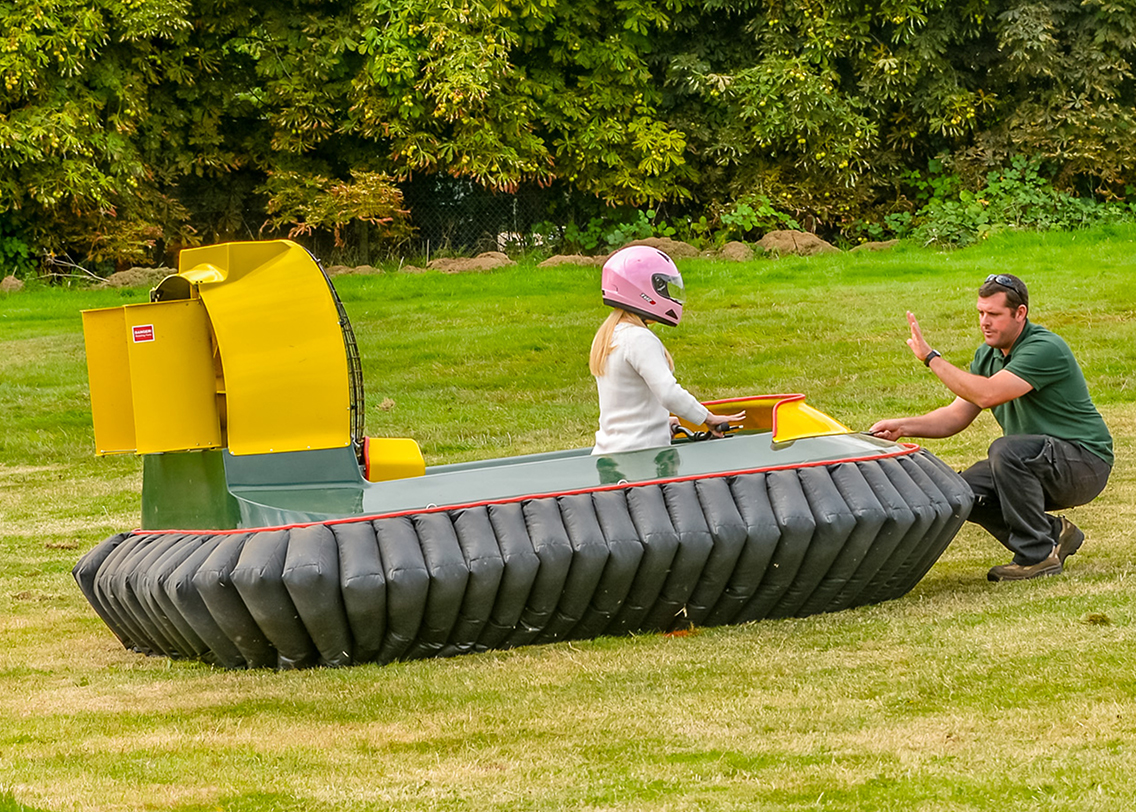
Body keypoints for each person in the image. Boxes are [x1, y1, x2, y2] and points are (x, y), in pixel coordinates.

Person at [870, 273, 1113, 582]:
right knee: (961, 493)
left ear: (1020, 313)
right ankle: (1054, 535)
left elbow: (987, 394)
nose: (984, 321)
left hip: (1083, 463)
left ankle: (1037, 556)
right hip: (1037, 463)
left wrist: (931, 358)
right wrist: (901, 426)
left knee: (1006, 450)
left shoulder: (1045, 348)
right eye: (981, 313)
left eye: (994, 314)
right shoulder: (987, 356)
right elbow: (955, 416)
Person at [590, 245, 744, 457]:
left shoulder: (611, 336)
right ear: (644, 290)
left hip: (612, 455)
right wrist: (707, 418)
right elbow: (668, 393)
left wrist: (661, 422)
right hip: (641, 461)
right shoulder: (639, 338)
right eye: (665, 288)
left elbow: (626, 406)